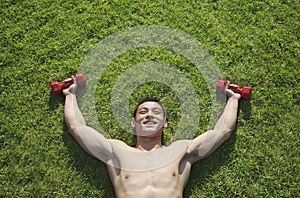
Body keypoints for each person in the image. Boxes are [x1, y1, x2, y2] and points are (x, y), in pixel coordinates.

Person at [63, 77, 241, 198]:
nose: (149, 115)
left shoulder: (180, 151)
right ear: (134, 123)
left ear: (165, 123)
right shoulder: (116, 151)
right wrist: (71, 94)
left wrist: (233, 99)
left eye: (156, 112)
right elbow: (77, 128)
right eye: (143, 112)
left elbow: (222, 131)